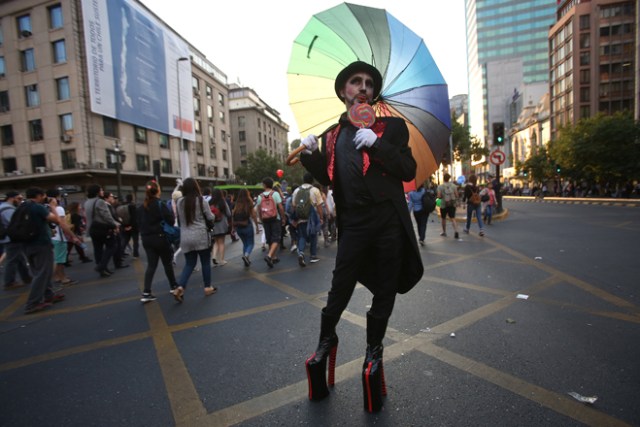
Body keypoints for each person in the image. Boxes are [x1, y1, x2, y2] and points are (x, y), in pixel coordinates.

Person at [299, 61, 423, 412]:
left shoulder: (392, 128)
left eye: (369, 83)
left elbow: (408, 170)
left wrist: (378, 145)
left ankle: (374, 351)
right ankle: (325, 343)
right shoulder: (332, 135)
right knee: (340, 287)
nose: (363, 87)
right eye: (356, 82)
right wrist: (311, 155)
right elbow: (330, 175)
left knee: (384, 289)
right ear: (344, 92)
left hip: (387, 222)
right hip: (353, 224)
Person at [21, 187, 74, 314]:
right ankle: (32, 303)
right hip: (40, 244)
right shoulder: (37, 207)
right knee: (43, 273)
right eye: (44, 196)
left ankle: (48, 295)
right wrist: (53, 206)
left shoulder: (22, 207)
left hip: (27, 244)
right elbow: (56, 220)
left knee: (38, 271)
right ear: (39, 195)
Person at [173, 177, 217, 302]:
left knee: (189, 264)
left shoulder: (179, 202)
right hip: (201, 236)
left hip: (185, 237)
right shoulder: (201, 200)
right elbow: (210, 217)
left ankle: (180, 286)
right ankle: (208, 287)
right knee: (205, 262)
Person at [136, 181, 179, 303]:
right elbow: (170, 221)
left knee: (151, 265)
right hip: (160, 238)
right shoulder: (160, 204)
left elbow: (138, 223)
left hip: (146, 239)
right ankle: (173, 286)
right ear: (158, 191)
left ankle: (146, 292)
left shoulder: (141, 207)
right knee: (167, 263)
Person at [84, 185, 121, 277]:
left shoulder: (87, 202)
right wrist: (115, 225)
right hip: (102, 228)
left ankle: (103, 270)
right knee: (112, 246)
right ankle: (101, 266)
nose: (102, 191)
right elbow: (106, 216)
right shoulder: (99, 201)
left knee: (98, 249)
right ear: (97, 192)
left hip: (92, 229)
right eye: (101, 190)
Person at [0, 191, 31, 290]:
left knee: (19, 259)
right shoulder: (8, 209)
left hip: (8, 237)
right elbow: (15, 223)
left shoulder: (3, 207)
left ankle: (26, 277)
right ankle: (9, 282)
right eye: (19, 199)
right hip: (11, 238)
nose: (20, 201)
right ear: (11, 198)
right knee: (12, 260)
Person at [292, 172, 324, 267]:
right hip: (312, 217)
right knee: (313, 236)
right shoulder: (315, 190)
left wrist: (296, 217)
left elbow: (294, 205)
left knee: (302, 236)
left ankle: (301, 253)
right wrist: (321, 217)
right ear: (312, 180)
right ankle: (313, 256)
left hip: (301, 217)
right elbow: (319, 206)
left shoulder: (297, 190)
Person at [47, 189, 77, 286]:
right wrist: (73, 236)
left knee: (56, 259)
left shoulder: (46, 208)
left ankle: (57, 277)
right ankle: (63, 278)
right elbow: (63, 225)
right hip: (59, 237)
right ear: (56, 197)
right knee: (60, 260)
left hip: (51, 237)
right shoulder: (59, 209)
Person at [256, 177, 286, 268]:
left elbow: (258, 209)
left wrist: (261, 219)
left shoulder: (260, 196)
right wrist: (283, 218)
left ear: (264, 185)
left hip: (265, 219)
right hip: (275, 218)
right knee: (276, 238)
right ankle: (269, 256)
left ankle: (273, 257)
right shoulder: (275, 194)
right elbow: (280, 207)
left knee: (269, 239)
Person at [232, 188, 259, 267]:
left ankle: (246, 260)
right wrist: (257, 226)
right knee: (251, 243)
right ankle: (246, 256)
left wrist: (233, 228)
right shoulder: (249, 202)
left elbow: (233, 215)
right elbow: (254, 215)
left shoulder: (236, 203)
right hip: (247, 225)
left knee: (245, 244)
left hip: (238, 227)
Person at [209, 188, 231, 266]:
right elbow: (229, 214)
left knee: (216, 242)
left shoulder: (209, 203)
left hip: (213, 225)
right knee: (221, 243)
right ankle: (221, 260)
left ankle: (214, 256)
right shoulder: (223, 202)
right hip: (222, 225)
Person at [437, 173, 460, 239]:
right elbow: (457, 195)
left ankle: (444, 232)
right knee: (453, 218)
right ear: (449, 178)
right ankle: (456, 231)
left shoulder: (440, 187)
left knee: (443, 218)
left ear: (443, 178)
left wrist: (442, 196)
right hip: (452, 204)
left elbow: (439, 196)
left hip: (444, 205)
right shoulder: (453, 186)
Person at [118, 194, 140, 259]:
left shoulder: (122, 205)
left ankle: (120, 254)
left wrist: (124, 226)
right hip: (133, 227)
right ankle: (135, 254)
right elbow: (134, 218)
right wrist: (132, 226)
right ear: (132, 198)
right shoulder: (132, 206)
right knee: (135, 242)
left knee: (124, 241)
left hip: (124, 225)